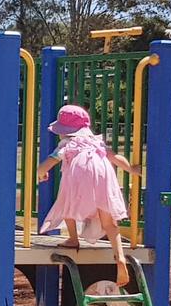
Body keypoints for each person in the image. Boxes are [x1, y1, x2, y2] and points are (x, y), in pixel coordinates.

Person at [36, 104, 142, 285]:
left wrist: (40, 173)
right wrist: (132, 169)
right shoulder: (96, 142)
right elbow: (115, 157)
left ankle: (73, 239)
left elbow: (48, 163)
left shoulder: (67, 143)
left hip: (79, 175)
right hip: (103, 174)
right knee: (109, 223)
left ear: (64, 131)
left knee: (66, 205)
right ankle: (120, 258)